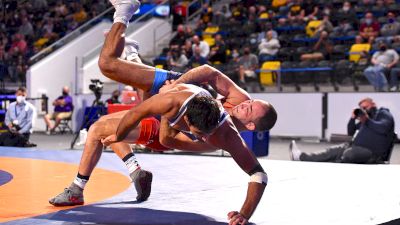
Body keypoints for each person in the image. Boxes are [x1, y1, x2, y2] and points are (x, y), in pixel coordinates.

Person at [50, 1, 276, 225]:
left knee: (100, 128)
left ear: (251, 126)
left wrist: (244, 213)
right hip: (181, 93)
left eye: (249, 109)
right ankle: (128, 38)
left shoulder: (223, 139)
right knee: (109, 67)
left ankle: (79, 188)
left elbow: (166, 139)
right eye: (250, 102)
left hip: (167, 127)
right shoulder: (236, 100)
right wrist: (175, 85)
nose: (244, 104)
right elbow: (207, 71)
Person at [290, 98, 395, 163]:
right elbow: (351, 132)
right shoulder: (365, 121)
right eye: (362, 108)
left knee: (348, 154)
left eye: (365, 107)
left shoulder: (383, 113)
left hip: (373, 154)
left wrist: (367, 120)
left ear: (373, 104)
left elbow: (383, 128)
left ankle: (337, 160)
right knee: (331, 152)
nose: (364, 110)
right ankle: (300, 156)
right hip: (355, 147)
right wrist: (353, 118)